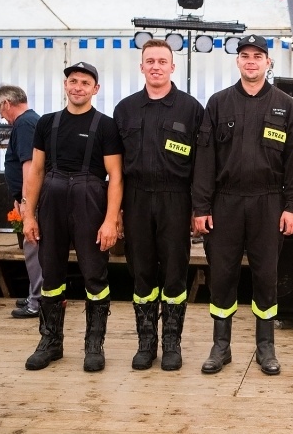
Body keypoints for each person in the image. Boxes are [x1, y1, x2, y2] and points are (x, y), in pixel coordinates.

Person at [193, 34, 293, 376]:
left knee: (266, 275)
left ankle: (265, 346)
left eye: (258, 55)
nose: (251, 61)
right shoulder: (218, 103)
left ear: (269, 62)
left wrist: (291, 206)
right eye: (245, 55)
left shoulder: (287, 105)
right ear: (238, 61)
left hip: (269, 201)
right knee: (222, 273)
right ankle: (220, 346)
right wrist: (201, 207)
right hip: (225, 202)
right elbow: (205, 159)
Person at [22, 62, 123, 372]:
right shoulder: (47, 123)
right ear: (65, 86)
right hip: (51, 200)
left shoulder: (105, 126)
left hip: (89, 200)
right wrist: (28, 215)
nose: (78, 86)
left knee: (95, 273)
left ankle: (94, 345)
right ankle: (50, 341)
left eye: (85, 82)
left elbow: (116, 176)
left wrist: (110, 220)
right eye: (73, 81)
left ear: (95, 89)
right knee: (51, 275)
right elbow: (36, 171)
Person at [114, 39, 203, 371]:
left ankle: (172, 345)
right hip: (136, 197)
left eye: (162, 61)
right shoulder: (124, 109)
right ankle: (146, 343)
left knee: (176, 272)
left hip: (175, 198)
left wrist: (198, 206)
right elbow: (115, 164)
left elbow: (201, 163)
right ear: (141, 67)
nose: (155, 66)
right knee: (141, 272)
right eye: (149, 61)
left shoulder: (191, 109)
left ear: (172, 67)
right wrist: (117, 210)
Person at [0, 85, 42, 318]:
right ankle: (36, 294)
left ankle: (38, 301)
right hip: (33, 197)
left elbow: (29, 165)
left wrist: (25, 201)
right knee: (35, 248)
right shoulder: (31, 121)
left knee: (33, 248)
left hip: (33, 199)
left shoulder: (23, 124)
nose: (0, 115)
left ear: (6, 104)